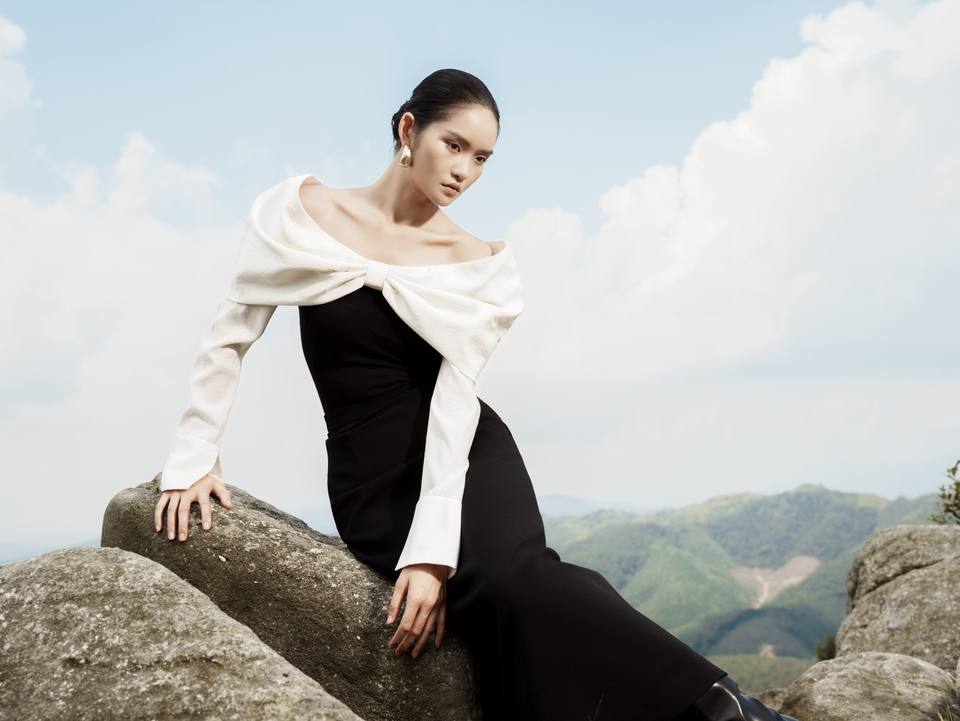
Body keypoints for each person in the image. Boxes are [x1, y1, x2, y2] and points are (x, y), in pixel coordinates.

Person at [153, 68, 798, 721]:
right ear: (410, 130)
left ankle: (727, 709)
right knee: (505, 602)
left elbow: (455, 402)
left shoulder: (473, 262)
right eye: (454, 145)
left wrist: (431, 557)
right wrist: (195, 457)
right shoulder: (303, 212)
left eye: (482, 157)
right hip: (370, 483)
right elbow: (230, 334)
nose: (465, 170)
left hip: (465, 457)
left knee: (520, 581)